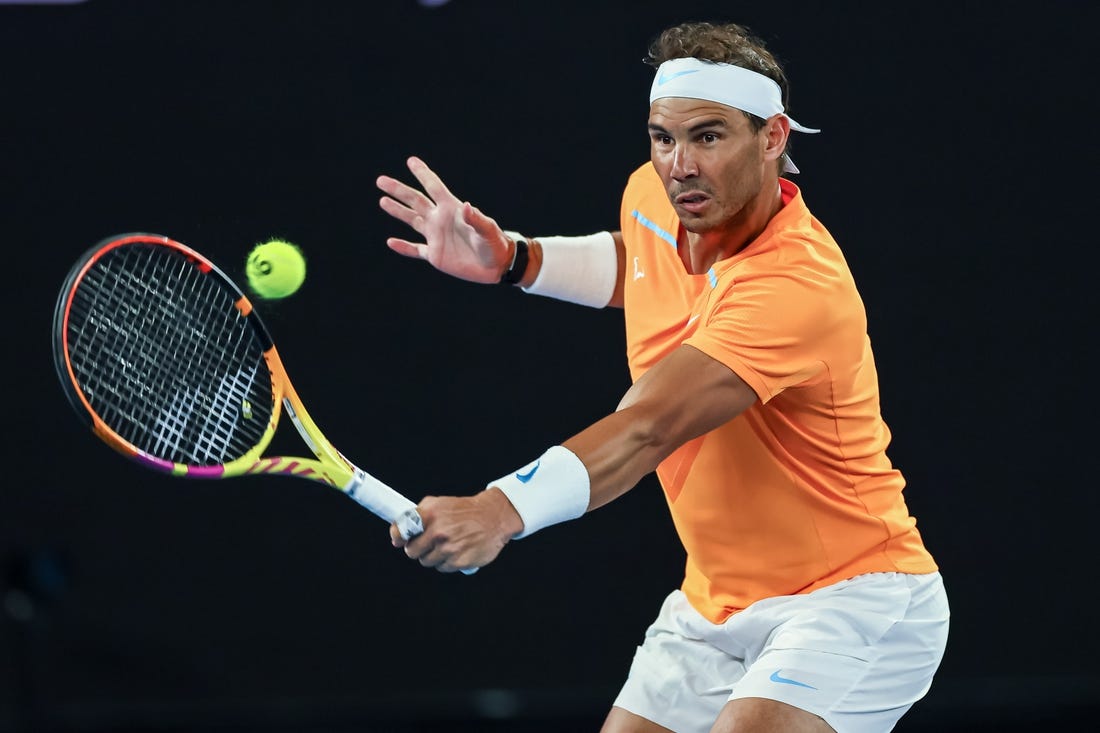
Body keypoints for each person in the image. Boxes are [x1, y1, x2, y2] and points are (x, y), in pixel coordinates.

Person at [375, 20, 949, 733]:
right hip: (713, 602)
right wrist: (519, 260)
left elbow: (648, 427)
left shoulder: (795, 286)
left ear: (773, 138)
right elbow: (641, 265)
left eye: (708, 137)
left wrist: (499, 509)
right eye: (662, 137)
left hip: (854, 595)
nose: (679, 165)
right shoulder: (654, 195)